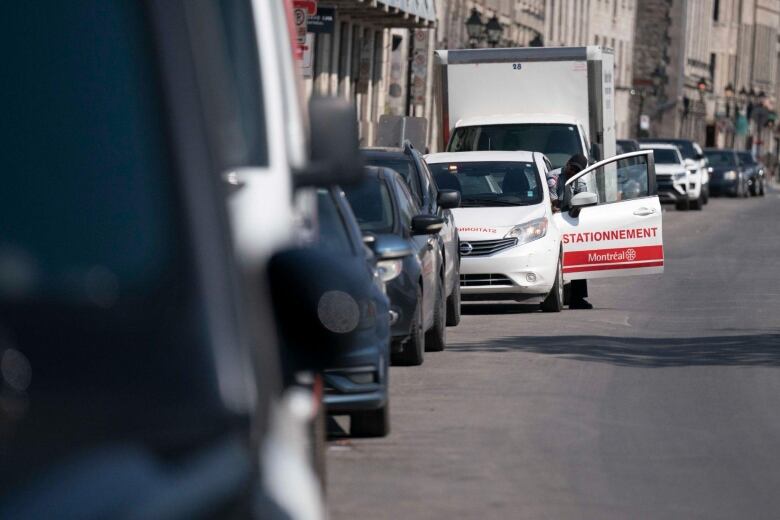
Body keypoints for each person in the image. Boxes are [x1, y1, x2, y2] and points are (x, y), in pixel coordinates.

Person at [547, 154, 593, 310]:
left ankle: (577, 298)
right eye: (571, 167)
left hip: (571, 221)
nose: (572, 172)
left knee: (578, 257)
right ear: (567, 164)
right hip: (555, 222)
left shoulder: (579, 180)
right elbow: (552, 202)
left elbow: (584, 200)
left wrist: (578, 207)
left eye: (576, 170)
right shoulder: (553, 177)